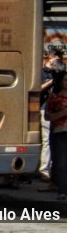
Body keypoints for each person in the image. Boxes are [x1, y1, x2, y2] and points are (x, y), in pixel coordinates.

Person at [39, 49, 65, 183]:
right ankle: (45, 170)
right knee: (48, 141)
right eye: (55, 60)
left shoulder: (58, 73)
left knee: (51, 142)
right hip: (44, 108)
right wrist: (51, 81)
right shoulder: (42, 72)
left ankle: (48, 170)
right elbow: (38, 88)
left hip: (52, 111)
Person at [45, 71, 67, 201]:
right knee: (61, 163)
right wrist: (64, 112)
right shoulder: (55, 98)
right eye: (65, 80)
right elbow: (48, 116)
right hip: (60, 132)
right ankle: (62, 191)